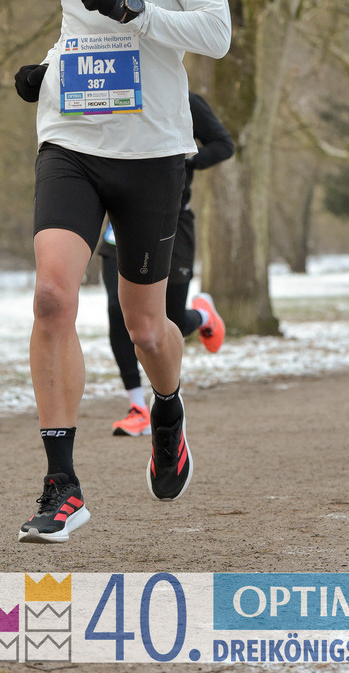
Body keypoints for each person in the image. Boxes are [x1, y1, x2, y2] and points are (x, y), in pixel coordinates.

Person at [13, 0, 231, 542]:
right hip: (72, 139)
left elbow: (216, 31)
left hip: (150, 151)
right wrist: (43, 68)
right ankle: (61, 485)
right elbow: (80, 30)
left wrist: (137, 11)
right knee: (51, 296)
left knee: (146, 327)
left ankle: (167, 410)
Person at [100, 90, 234, 437]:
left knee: (165, 324)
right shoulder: (115, 93)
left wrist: (182, 161)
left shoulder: (185, 98)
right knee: (119, 313)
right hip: (120, 222)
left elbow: (223, 144)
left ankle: (203, 316)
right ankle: (137, 406)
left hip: (172, 221)